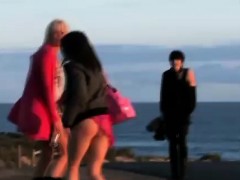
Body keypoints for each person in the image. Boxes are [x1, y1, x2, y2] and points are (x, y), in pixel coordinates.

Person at [8, 19, 69, 180]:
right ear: (50, 34)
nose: (62, 36)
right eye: (58, 33)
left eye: (64, 33)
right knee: (65, 153)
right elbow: (47, 89)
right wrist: (56, 119)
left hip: (44, 109)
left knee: (48, 153)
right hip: (45, 112)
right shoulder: (48, 54)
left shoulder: (47, 53)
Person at [60, 31, 114, 180]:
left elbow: (79, 96)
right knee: (95, 171)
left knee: (72, 166)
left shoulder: (73, 67)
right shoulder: (97, 68)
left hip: (86, 119)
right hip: (104, 119)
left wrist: (67, 121)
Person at [159, 50, 197, 180]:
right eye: (173, 60)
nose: (175, 62)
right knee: (172, 144)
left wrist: (188, 111)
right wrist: (163, 112)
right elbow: (163, 95)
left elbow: (192, 96)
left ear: (182, 61)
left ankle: (182, 173)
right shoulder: (166, 75)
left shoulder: (188, 73)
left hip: (183, 116)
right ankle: (174, 173)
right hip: (169, 115)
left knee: (182, 143)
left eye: (177, 60)